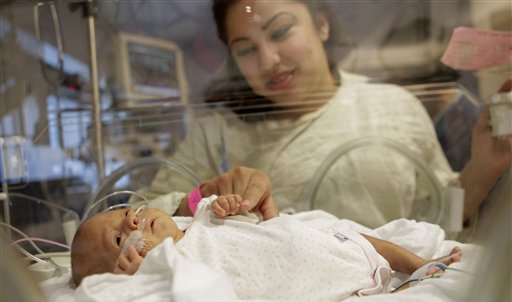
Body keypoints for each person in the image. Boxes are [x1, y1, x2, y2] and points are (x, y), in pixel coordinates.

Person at [145, 0, 511, 230]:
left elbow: (436, 221)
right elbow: (137, 217)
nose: (269, 60)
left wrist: (485, 166)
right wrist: (203, 196)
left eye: (281, 32)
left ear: (322, 25)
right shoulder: (218, 134)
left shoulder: (393, 107)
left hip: (396, 293)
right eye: (246, 50)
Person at [71, 191, 462, 302]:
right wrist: (132, 276)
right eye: (120, 237)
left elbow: (238, 208)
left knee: (368, 243)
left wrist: (229, 204)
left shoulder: (205, 215)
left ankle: (419, 262)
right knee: (366, 298)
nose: (132, 220)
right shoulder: (164, 266)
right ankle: (402, 289)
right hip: (318, 286)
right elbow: (146, 293)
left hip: (323, 242)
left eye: (126, 211)